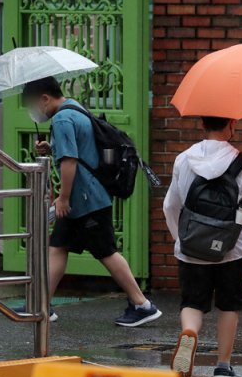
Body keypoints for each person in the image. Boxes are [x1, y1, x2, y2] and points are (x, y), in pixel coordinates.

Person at [21, 76, 162, 327]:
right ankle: (42, 304)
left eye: (33, 104)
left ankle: (142, 304)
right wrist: (51, 148)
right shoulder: (75, 107)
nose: (33, 110)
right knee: (58, 246)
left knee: (106, 251)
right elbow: (82, 150)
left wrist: (63, 198)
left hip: (85, 199)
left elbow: (71, 161)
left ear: (44, 98)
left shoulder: (63, 119)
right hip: (85, 198)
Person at [163, 116, 242, 377]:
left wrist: (181, 240)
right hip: (231, 248)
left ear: (202, 125)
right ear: (231, 125)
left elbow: (169, 205)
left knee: (192, 302)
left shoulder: (183, 159)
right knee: (228, 305)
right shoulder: (240, 162)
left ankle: (189, 331)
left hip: (190, 246)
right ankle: (223, 368)